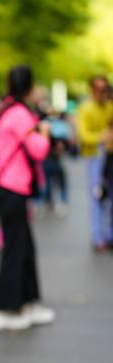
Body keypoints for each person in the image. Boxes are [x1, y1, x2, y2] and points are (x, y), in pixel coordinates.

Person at [0, 65, 54, 331]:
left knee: (24, 247)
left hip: (9, 188)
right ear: (29, 87)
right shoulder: (19, 114)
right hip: (12, 189)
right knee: (16, 250)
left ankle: (28, 302)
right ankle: (6, 309)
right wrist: (45, 134)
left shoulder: (7, 109)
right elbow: (38, 151)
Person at [77, 75, 113, 252]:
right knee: (97, 196)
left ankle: (109, 235)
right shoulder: (85, 108)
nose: (103, 93)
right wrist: (101, 136)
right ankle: (99, 237)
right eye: (100, 89)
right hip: (94, 158)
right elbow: (83, 136)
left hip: (110, 156)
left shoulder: (109, 106)